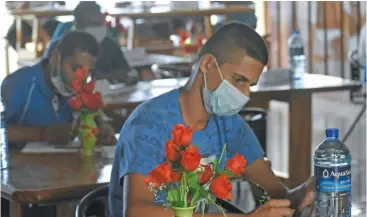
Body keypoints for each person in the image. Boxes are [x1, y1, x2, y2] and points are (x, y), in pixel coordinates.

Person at [108, 22, 314, 217]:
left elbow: (278, 194)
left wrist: (306, 191)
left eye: (250, 85)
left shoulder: (231, 126)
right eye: (238, 80)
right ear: (207, 64)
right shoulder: (149, 123)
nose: (245, 94)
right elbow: (137, 212)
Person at [1, 31, 116, 147]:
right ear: (55, 59)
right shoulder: (18, 84)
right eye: (75, 68)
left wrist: (101, 127)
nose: (81, 78)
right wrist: (42, 133)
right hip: (18, 162)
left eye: (88, 72)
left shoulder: (76, 89)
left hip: (57, 162)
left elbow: (93, 116)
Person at [45, 1, 137, 84]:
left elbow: (127, 71)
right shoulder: (60, 45)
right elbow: (49, 76)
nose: (97, 28)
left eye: (99, 23)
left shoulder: (110, 44)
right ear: (77, 24)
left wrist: (120, 75)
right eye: (93, 24)